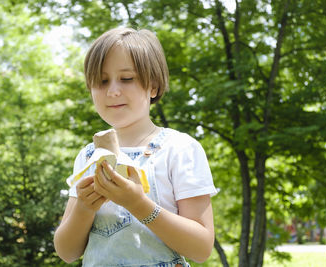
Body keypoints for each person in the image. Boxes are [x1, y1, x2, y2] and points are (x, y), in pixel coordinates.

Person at [54, 27, 217, 267]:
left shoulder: (180, 149)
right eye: (101, 81)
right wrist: (84, 208)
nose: (112, 91)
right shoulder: (88, 156)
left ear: (153, 86)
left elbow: (201, 248)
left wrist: (138, 204)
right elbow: (67, 252)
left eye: (127, 79)